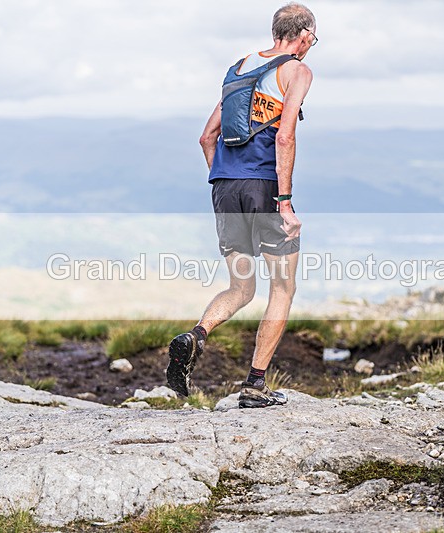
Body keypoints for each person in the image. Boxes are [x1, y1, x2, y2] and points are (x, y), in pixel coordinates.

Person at [166, 3, 316, 408]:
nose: (311, 46)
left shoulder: (239, 68)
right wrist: (284, 203)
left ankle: (195, 336)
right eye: (313, 39)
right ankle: (254, 386)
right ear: (303, 35)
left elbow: (206, 137)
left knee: (241, 287)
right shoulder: (297, 71)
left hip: (225, 186)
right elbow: (285, 138)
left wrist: (227, 183)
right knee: (282, 287)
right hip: (265, 186)